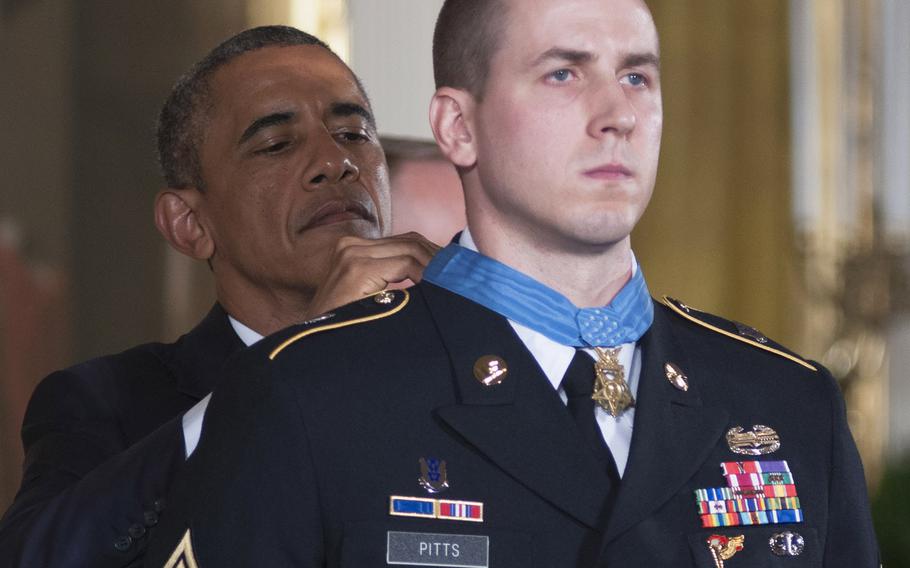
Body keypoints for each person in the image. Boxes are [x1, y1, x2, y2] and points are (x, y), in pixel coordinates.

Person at [146, 1, 880, 566]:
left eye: (636, 75)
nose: (616, 114)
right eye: (563, 73)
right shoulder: (306, 392)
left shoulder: (785, 400)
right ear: (458, 127)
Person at [0, 26, 437, 568]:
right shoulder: (110, 403)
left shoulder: (455, 372)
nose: (335, 162)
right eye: (277, 144)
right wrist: (289, 365)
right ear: (190, 224)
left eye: (353, 134)